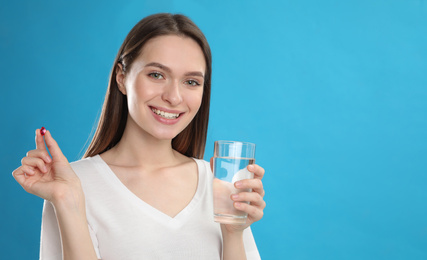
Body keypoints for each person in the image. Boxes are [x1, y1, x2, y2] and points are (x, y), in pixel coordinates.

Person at [12, 13, 266, 260]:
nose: (174, 97)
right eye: (156, 75)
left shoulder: (220, 187)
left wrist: (233, 233)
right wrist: (67, 202)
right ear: (121, 78)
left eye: (191, 82)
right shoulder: (71, 185)